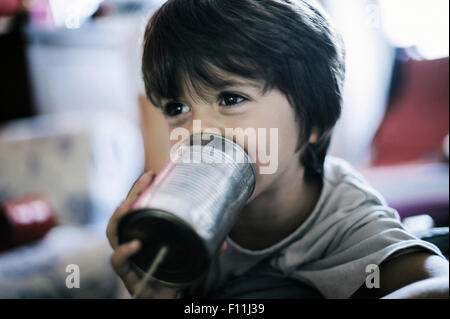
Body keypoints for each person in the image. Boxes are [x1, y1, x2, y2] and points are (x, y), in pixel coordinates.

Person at [106, 0, 449, 299]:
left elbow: (439, 284)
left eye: (230, 99)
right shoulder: (179, 215)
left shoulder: (346, 216)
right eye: (176, 109)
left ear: (314, 122)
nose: (197, 131)